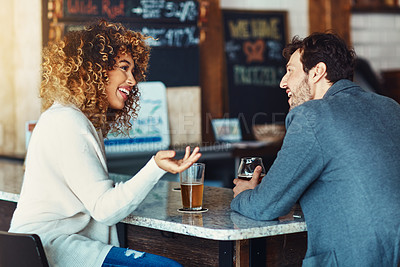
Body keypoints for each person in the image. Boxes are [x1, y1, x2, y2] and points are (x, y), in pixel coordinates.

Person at [9, 20, 201, 267]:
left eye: (133, 71)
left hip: (48, 247)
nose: (132, 80)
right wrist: (156, 167)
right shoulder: (68, 121)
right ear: (95, 69)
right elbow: (104, 209)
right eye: (124, 68)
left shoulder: (74, 118)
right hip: (53, 251)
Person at [231, 32, 400, 266]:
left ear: (317, 72)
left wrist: (244, 194)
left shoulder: (311, 115)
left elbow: (266, 205)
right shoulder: (390, 107)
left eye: (290, 71)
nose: (283, 82)